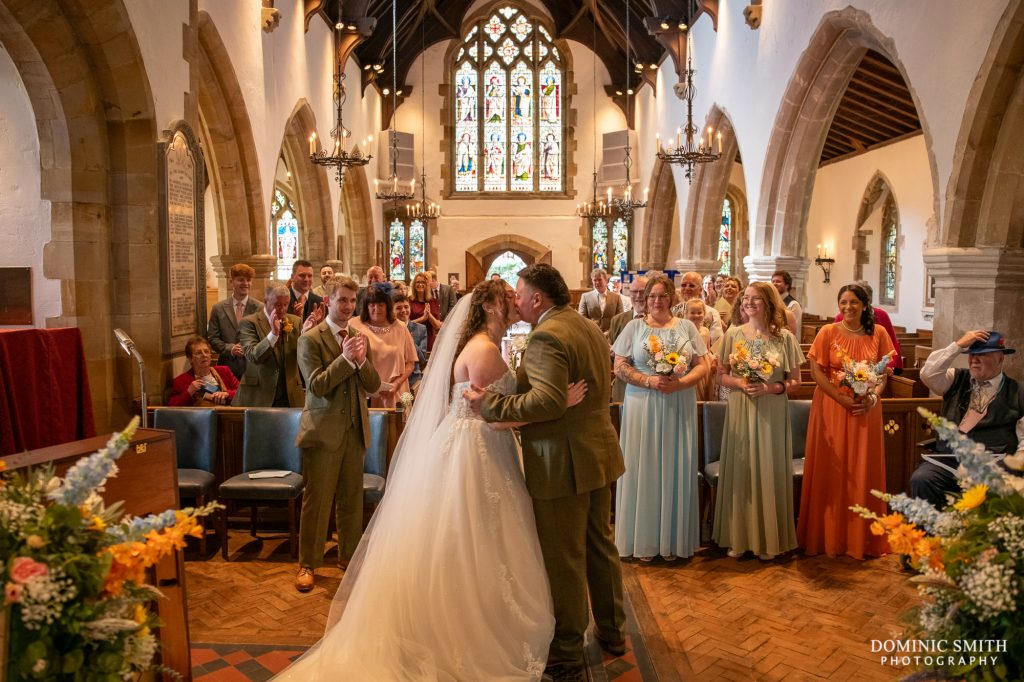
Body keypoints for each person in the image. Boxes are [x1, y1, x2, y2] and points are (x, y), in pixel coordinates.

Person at [275, 281, 586, 680]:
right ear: (489, 306)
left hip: (467, 446)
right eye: (507, 300)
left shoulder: (474, 345)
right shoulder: (486, 351)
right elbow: (498, 417)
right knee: (478, 541)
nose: (514, 305)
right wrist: (561, 403)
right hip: (480, 450)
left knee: (459, 540)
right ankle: (471, 627)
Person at [465, 264, 627, 679]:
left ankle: (568, 648)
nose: (516, 301)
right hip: (597, 453)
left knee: (564, 557)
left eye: (520, 293)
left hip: (563, 461)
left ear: (538, 298)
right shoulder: (586, 327)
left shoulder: (546, 335)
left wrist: (490, 406)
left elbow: (547, 402)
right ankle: (612, 629)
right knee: (599, 546)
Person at [612, 272, 708, 562]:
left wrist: (680, 382)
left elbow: (703, 365)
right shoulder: (634, 327)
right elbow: (619, 366)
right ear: (644, 298)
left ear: (671, 297)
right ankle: (643, 540)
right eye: (651, 296)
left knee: (675, 463)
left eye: (661, 296)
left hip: (678, 402)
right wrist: (649, 381)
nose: (655, 301)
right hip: (643, 402)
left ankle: (673, 541)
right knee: (644, 465)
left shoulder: (687, 327)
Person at [293, 276, 381, 592]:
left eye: (350, 301)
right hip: (323, 431)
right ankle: (308, 564)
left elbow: (372, 385)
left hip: (354, 430)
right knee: (317, 501)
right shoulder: (310, 340)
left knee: (351, 499)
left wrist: (359, 361)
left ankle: (349, 559)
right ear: (327, 302)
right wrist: (345, 360)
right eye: (341, 300)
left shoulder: (359, 337)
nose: (347, 306)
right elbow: (316, 385)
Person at [798, 284, 894, 559]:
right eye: (843, 302)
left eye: (853, 302)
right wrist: (839, 399)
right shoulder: (827, 332)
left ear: (865, 305)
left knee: (863, 467)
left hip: (866, 409)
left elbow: (884, 373)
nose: (848, 307)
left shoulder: (879, 333)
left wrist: (873, 397)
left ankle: (861, 539)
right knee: (832, 467)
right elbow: (815, 370)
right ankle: (826, 537)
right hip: (831, 406)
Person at [713, 282, 803, 561]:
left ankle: (769, 539)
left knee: (768, 468)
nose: (749, 303)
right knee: (742, 469)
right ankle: (739, 538)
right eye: (746, 299)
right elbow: (720, 375)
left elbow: (796, 382)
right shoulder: (733, 334)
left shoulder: (784, 338)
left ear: (768, 303)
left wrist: (771, 388)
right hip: (741, 408)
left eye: (755, 299)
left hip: (771, 410)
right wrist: (739, 382)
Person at [909, 330, 1024, 508]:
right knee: (922, 479)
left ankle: (980, 534)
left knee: (998, 482)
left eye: (983, 355)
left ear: (1000, 358)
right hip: (950, 459)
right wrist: (959, 345)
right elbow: (927, 373)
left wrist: (1016, 462)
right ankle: (935, 534)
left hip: (992, 462)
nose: (974, 360)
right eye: (972, 354)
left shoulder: (1018, 392)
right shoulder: (955, 378)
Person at [233, 282, 306, 408]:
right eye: (277, 305)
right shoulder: (249, 323)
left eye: (286, 304)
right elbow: (253, 356)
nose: (283, 309)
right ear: (266, 301)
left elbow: (302, 354)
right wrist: (273, 335)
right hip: (259, 395)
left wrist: (310, 333)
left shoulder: (295, 321)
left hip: (290, 395)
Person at [349, 285, 417, 408]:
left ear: (388, 306)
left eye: (381, 304)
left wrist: (396, 384)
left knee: (397, 426)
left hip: (397, 391)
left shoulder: (400, 327)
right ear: (366, 306)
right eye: (372, 305)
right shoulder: (354, 325)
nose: (377, 309)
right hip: (365, 394)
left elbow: (410, 363)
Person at [833, 280, 904, 372]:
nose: (849, 306)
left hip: (877, 370)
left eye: (855, 301)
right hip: (847, 369)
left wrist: (890, 366)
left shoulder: (881, 315)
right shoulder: (841, 317)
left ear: (867, 302)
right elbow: (835, 347)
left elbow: (892, 344)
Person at [207, 263, 261, 379]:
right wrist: (230, 348)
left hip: (252, 368)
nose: (245, 283)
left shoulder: (260, 308)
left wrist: (249, 348)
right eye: (241, 280)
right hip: (227, 367)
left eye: (248, 280)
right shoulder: (218, 308)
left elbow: (264, 336)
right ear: (231, 282)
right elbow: (212, 338)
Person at [608, 274, 648, 403]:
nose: (637, 296)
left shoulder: (660, 321)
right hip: (623, 388)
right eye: (634, 292)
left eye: (642, 292)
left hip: (650, 387)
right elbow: (611, 354)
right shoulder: (618, 320)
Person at [168, 336, 239, 406]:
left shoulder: (224, 371)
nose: (204, 355)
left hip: (228, 414)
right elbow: (172, 406)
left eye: (206, 351)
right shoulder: (180, 381)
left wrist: (227, 394)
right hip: (199, 416)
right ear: (190, 358)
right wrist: (189, 392)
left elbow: (242, 392)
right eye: (199, 353)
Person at [671, 271, 724, 346]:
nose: (687, 288)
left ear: (700, 290)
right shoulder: (674, 311)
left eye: (691, 285)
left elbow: (717, 342)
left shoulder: (712, 313)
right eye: (683, 285)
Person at [393, 292, 427, 389]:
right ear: (392, 311)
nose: (403, 310)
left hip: (413, 380)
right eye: (398, 308)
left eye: (406, 307)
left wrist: (411, 342)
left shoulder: (421, 329)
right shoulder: (388, 330)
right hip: (393, 379)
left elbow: (422, 360)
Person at [578, 268, 623, 333]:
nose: (597, 283)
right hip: (592, 334)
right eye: (594, 280)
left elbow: (620, 318)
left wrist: (610, 333)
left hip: (611, 335)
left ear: (606, 281)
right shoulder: (585, 297)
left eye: (599, 280)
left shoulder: (616, 298)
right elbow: (582, 319)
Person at [409, 271, 442, 351]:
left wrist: (429, 315)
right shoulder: (409, 301)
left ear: (427, 285)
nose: (420, 284)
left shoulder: (433, 301)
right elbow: (406, 325)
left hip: (429, 339)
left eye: (423, 282)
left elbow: (437, 326)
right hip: (414, 340)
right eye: (418, 282)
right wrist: (422, 319)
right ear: (414, 285)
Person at [771, 270, 803, 341]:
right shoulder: (772, 303)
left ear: (787, 285)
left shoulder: (793, 304)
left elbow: (794, 331)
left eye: (778, 281)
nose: (775, 284)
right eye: (773, 281)